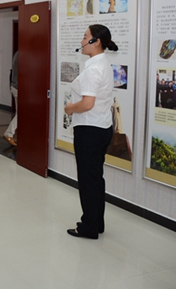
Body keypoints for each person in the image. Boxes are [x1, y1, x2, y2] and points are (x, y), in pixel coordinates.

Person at [64, 24, 118, 239]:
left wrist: (69, 108)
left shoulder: (94, 68)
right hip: (102, 127)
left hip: (89, 130)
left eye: (85, 37)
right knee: (96, 178)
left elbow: (87, 104)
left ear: (96, 41)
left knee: (88, 180)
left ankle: (88, 227)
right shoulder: (102, 63)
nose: (82, 41)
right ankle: (96, 223)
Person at [3, 51, 18, 147]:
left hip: (14, 86)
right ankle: (9, 133)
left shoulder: (17, 53)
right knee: (22, 113)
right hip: (19, 87)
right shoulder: (24, 54)